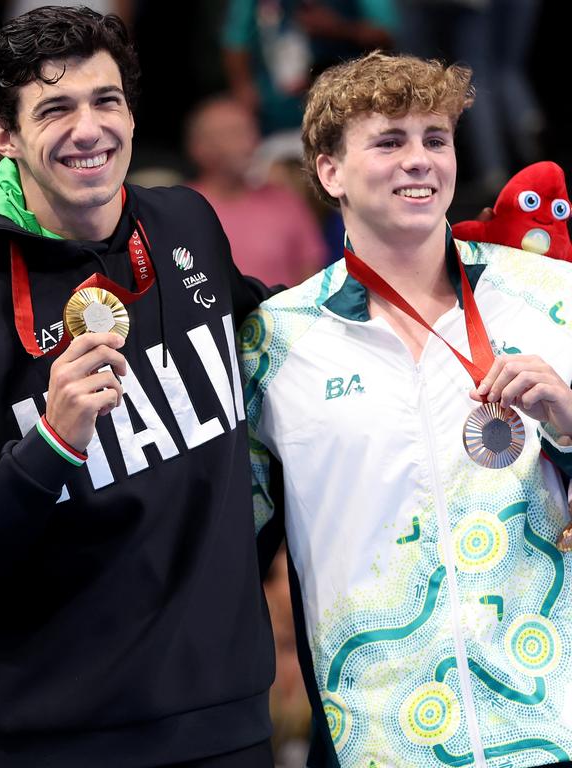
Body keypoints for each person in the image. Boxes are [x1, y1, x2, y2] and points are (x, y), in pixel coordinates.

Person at [0, 6, 275, 767]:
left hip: (233, 725)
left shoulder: (187, 224)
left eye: (106, 100)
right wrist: (46, 450)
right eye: (55, 109)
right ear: (5, 136)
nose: (89, 129)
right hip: (58, 744)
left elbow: (274, 337)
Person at [243, 51, 572, 767]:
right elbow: (227, 548)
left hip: (551, 728)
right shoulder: (274, 344)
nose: (419, 160)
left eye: (435, 138)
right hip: (379, 738)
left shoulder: (552, 296)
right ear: (329, 171)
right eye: (389, 141)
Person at [185, 95, 327, 287]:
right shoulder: (180, 209)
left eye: (251, 130)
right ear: (199, 147)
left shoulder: (285, 201)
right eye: (234, 133)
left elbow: (312, 276)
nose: (250, 142)